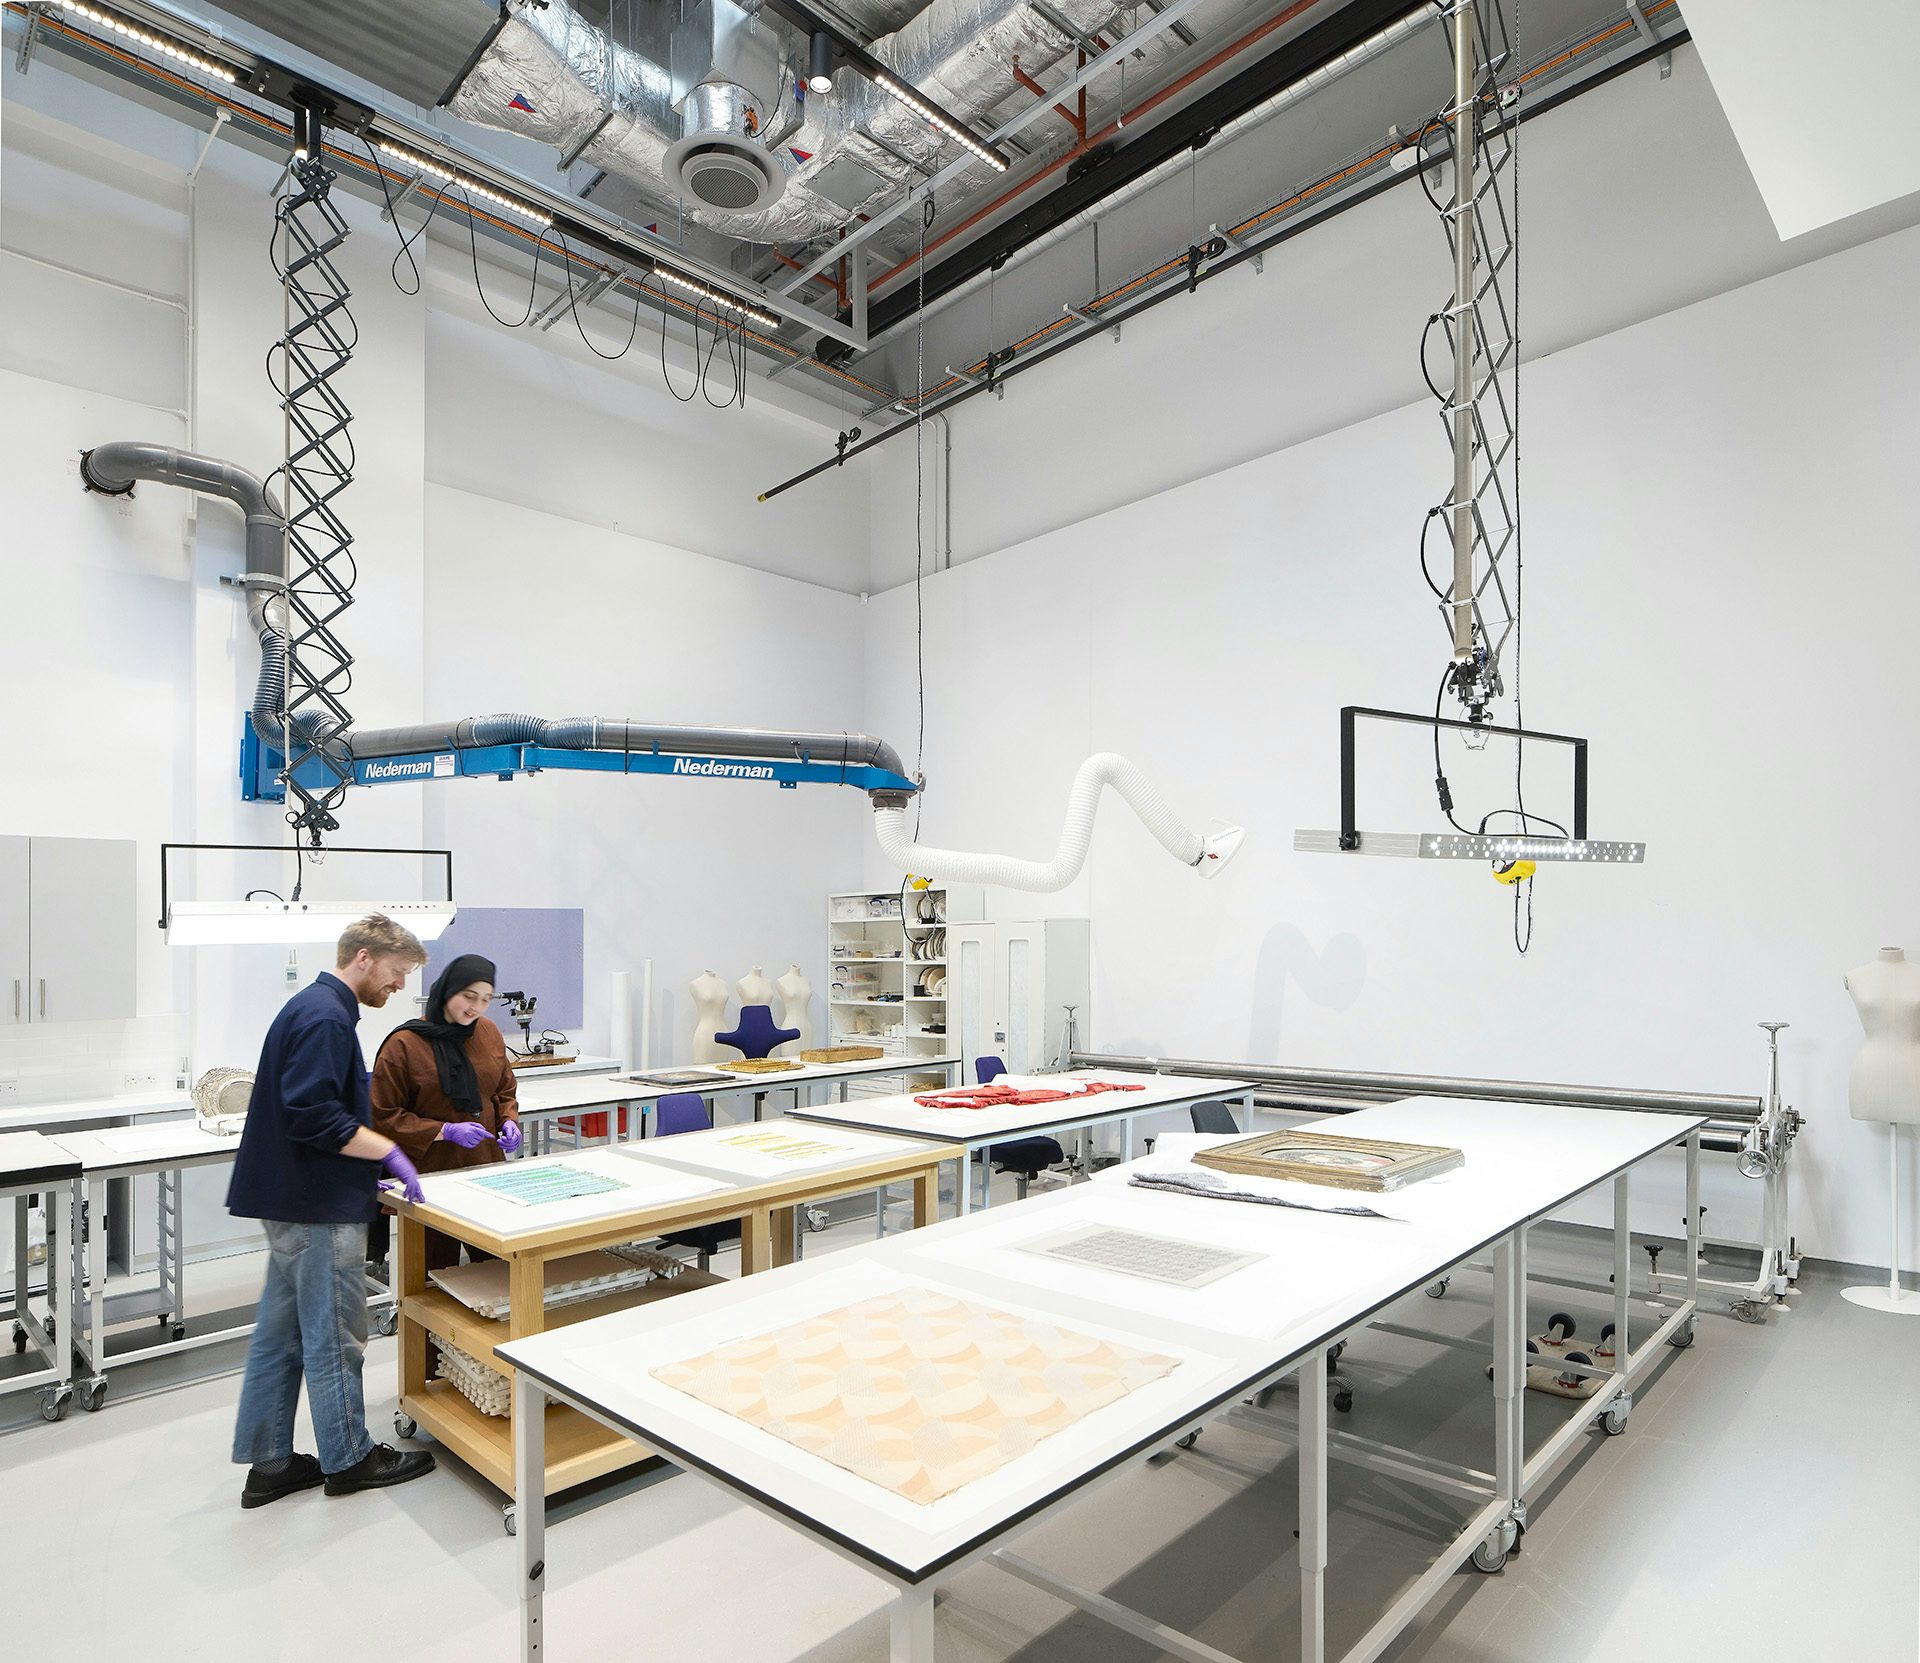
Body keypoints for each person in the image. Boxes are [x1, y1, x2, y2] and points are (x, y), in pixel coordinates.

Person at [226, 914, 439, 1509]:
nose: (399, 985)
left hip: (293, 1203)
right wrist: (387, 1150)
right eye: (397, 971)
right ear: (363, 957)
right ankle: (349, 1458)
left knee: (281, 1338)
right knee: (334, 1336)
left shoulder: (315, 1008)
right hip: (316, 1208)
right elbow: (313, 1116)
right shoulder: (326, 1017)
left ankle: (271, 1465)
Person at [371, 952, 522, 1274]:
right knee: (431, 1275)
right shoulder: (404, 1044)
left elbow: (503, 1089)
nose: (476, 1007)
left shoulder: (487, 1033)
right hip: (427, 1179)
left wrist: (509, 1120)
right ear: (448, 990)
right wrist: (444, 1131)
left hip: (484, 1171)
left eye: (486, 999)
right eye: (469, 996)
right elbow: (383, 1115)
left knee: (497, 1270)